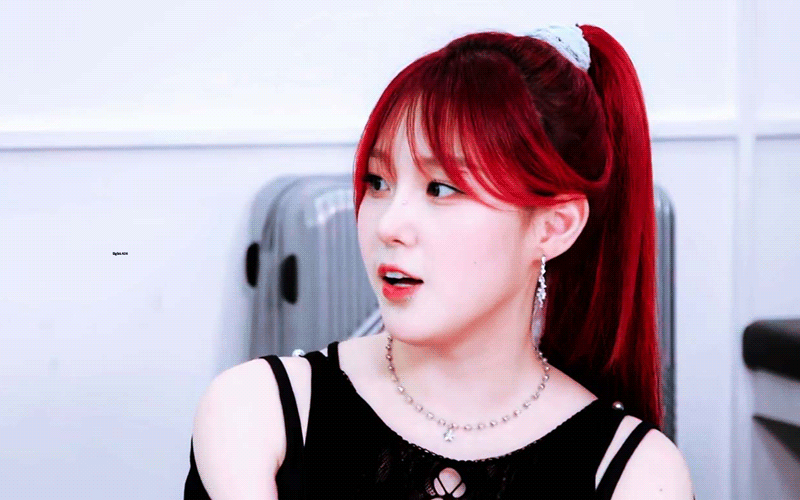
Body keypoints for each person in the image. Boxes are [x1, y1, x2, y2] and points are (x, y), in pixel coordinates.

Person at [185, 24, 695, 499]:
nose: (388, 225)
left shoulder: (639, 473)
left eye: (441, 188)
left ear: (553, 226)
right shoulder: (258, 410)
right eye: (378, 182)